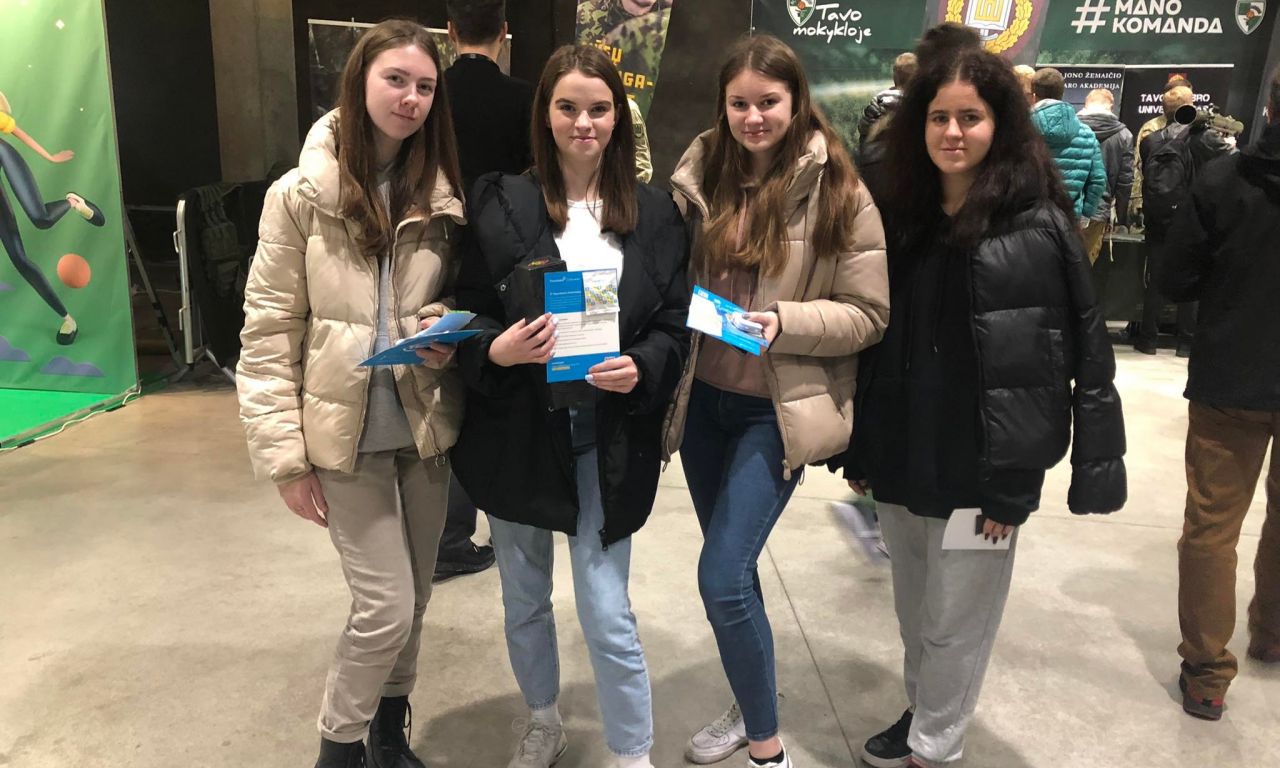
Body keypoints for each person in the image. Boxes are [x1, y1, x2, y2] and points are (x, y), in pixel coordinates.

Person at [843, 43, 1127, 768]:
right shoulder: (897, 218)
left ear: (999, 123)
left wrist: (1017, 482)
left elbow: (1069, 360)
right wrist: (862, 447)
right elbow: (871, 342)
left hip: (981, 473)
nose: (953, 132)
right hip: (902, 454)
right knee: (914, 611)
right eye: (939, 117)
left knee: (958, 621)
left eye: (970, 117)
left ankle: (935, 747)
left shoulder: (1038, 225)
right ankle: (924, 714)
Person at [451, 44, 690, 768]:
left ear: (619, 117)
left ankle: (632, 751)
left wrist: (642, 365)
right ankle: (542, 719)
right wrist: (495, 350)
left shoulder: (654, 213)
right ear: (545, 114)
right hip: (521, 427)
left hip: (608, 431)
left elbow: (674, 322)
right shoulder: (502, 202)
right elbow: (466, 307)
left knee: (606, 607)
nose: (583, 123)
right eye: (567, 107)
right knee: (524, 596)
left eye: (598, 108)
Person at [235, 20, 466, 768]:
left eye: (424, 86)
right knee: (384, 607)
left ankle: (389, 734)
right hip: (344, 440)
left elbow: (450, 295)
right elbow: (268, 332)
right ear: (360, 80)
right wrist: (285, 460)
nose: (410, 98)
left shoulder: (441, 195)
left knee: (416, 600)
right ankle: (338, 751)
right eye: (395, 79)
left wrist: (441, 322)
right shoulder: (300, 195)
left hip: (424, 431)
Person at [667, 34, 890, 768]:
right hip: (704, 404)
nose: (753, 117)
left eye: (768, 101)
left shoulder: (841, 191)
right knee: (735, 573)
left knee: (721, 577)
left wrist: (785, 322)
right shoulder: (699, 173)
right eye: (739, 103)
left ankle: (767, 750)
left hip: (776, 410)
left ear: (796, 101)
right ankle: (752, 698)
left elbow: (869, 314)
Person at [1158, 65, 1280, 722]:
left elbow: (1175, 279)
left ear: (1270, 108)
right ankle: (1273, 632)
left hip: (1231, 373)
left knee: (1211, 526)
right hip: (1236, 374)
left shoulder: (1222, 180)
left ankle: (1207, 672)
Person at [436, 0, 536, 582]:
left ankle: (443, 535)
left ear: (450, 32)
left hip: (431, 257)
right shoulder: (525, 99)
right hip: (499, 262)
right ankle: (493, 522)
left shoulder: (430, 96)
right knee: (490, 386)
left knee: (438, 387)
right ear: (505, 33)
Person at [0, 91, 106, 346]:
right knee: (19, 259)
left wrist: (49, 156)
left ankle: (73, 202)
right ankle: (68, 320)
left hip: (3, 156)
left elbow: (16, 132)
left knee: (41, 218)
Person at [1135, 85, 1198, 357]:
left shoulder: (1150, 140)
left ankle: (1148, 339)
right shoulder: (1198, 141)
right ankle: (1185, 343)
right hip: (1189, 219)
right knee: (1191, 280)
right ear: (1188, 108)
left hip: (1157, 219)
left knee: (1155, 280)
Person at [1029, 67, 1106, 220]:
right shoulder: (1087, 134)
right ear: (1062, 93)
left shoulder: (1021, 130)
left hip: (1027, 219)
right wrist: (1085, 213)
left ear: (1034, 96)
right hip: (1069, 219)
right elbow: (1098, 179)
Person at [1077, 88, 1133, 264]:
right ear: (1110, 107)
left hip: (1066, 207)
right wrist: (1122, 219)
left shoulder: (1070, 129)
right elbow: (1125, 182)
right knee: (1084, 266)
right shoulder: (1124, 135)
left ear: (1086, 105)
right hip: (1098, 210)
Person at [1131, 75, 1193, 224]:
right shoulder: (1152, 128)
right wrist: (1138, 200)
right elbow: (1140, 166)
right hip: (1156, 198)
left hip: (1183, 200)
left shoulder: (1193, 130)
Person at [858, 52, 918, 150]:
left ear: (894, 76)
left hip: (877, 156)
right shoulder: (918, 104)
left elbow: (864, 130)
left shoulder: (878, 100)